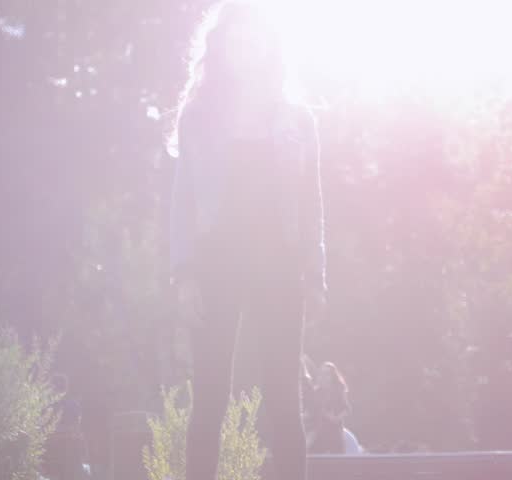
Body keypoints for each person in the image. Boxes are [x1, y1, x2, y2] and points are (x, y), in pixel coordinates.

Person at [168, 1, 327, 480]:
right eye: (237, 39)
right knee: (209, 398)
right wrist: (184, 275)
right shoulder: (198, 117)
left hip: (281, 268)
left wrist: (316, 277)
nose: (246, 48)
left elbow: (312, 203)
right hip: (215, 267)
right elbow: (182, 201)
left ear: (268, 46)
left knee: (284, 401)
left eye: (254, 39)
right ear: (222, 46)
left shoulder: (298, 120)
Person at [308, 362, 351, 454]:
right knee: (315, 456)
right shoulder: (316, 392)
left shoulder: (339, 390)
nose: (324, 376)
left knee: (338, 458)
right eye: (322, 373)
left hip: (335, 432)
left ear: (332, 376)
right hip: (319, 432)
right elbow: (312, 411)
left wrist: (336, 418)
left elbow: (346, 409)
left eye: (327, 373)